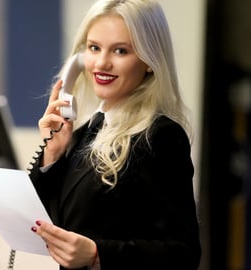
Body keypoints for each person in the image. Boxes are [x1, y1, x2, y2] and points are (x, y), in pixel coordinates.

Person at [28, 0, 201, 269]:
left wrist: (98, 255)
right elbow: (46, 221)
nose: (101, 63)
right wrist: (52, 153)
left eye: (120, 51)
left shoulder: (161, 136)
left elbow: (183, 253)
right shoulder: (84, 132)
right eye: (94, 48)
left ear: (149, 61)